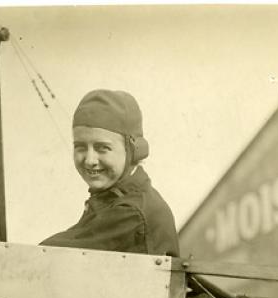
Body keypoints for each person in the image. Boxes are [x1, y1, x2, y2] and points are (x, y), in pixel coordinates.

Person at [40, 89, 179, 257]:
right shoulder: (116, 200)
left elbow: (48, 255)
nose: (90, 160)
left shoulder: (130, 213)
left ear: (134, 150)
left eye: (102, 148)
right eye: (80, 147)